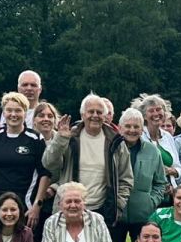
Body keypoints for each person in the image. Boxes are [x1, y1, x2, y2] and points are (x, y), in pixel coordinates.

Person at [43, 94, 132, 230]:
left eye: (99, 112)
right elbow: (48, 163)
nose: (95, 115)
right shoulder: (69, 137)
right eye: (91, 111)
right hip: (69, 208)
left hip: (102, 211)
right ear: (82, 115)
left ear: (105, 116)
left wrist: (118, 205)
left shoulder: (116, 142)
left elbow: (126, 178)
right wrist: (60, 139)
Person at [0, 92, 50, 229]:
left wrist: (36, 205)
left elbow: (44, 174)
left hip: (24, 205)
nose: (13, 114)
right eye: (9, 110)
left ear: (25, 113)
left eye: (18, 110)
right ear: (4, 113)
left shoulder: (35, 139)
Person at [115, 107, 169, 242]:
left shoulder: (152, 151)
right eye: (128, 126)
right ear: (120, 128)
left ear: (142, 129)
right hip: (115, 214)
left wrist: (151, 202)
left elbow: (160, 183)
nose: (132, 130)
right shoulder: (112, 148)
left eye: (136, 126)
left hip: (142, 215)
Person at [30, 101, 60, 242]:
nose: (46, 119)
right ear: (34, 119)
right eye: (41, 115)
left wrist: (54, 188)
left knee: (50, 241)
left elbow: (69, 171)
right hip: (31, 200)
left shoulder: (63, 141)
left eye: (50, 116)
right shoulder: (28, 139)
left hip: (54, 201)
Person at [136, 93, 181, 185]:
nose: (156, 113)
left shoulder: (167, 136)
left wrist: (170, 171)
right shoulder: (139, 136)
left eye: (158, 109)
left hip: (170, 189)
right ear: (144, 116)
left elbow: (178, 167)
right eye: (151, 111)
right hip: (147, 188)